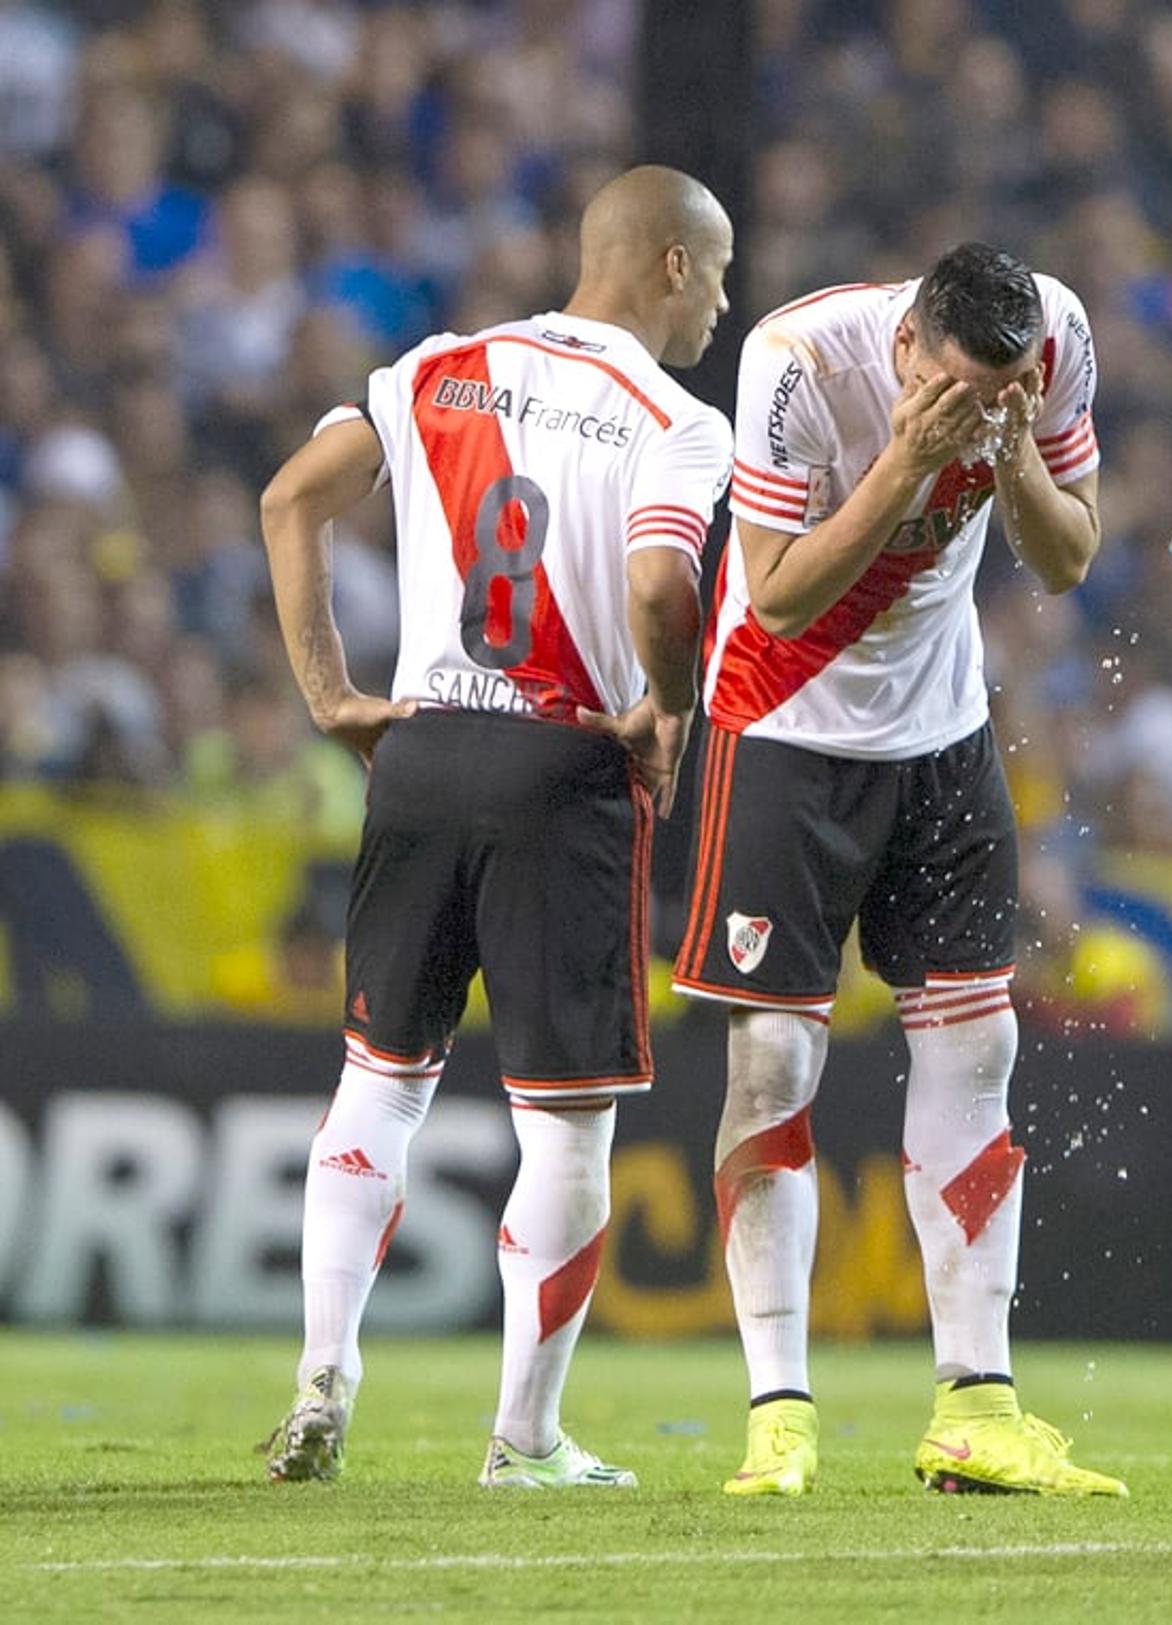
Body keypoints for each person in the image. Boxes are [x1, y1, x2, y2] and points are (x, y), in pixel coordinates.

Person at [257, 166, 734, 1488]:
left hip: (418, 751)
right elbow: (654, 580)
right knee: (565, 1125)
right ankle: (523, 1437)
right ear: (673, 269)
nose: (725, 303)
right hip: (561, 766)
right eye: (722, 273)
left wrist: (329, 698)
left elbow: (289, 498)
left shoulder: (435, 367)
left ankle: (320, 1379)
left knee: (378, 1082)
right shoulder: (676, 417)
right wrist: (668, 712)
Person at [672, 243, 1123, 1497]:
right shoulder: (798, 358)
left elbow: (1073, 555)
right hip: (787, 735)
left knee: (981, 1048)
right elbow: (769, 595)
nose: (982, 406)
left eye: (1007, 389)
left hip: (943, 735)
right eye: (964, 389)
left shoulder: (1057, 333)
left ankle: (977, 1403)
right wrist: (909, 463)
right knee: (772, 1061)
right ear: (912, 345)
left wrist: (1015, 444)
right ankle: (779, 1411)